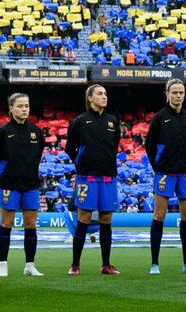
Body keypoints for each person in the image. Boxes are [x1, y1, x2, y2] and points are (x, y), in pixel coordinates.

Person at [145, 78, 186, 275]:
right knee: (159, 216)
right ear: (167, 95)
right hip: (165, 173)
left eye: (181, 92)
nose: (178, 95)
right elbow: (150, 146)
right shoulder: (160, 118)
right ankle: (155, 264)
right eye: (174, 92)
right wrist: (158, 167)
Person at [64, 84, 121, 276]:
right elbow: (69, 148)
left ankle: (106, 264)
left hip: (108, 176)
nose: (104, 96)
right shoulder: (80, 121)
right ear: (90, 98)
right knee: (84, 218)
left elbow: (114, 146)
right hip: (86, 177)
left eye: (105, 93)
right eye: (99, 94)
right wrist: (81, 164)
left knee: (106, 218)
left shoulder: (113, 121)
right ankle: (75, 264)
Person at [0, 92, 46, 277]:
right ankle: (3, 264)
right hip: (9, 185)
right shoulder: (3, 132)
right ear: (11, 108)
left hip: (30, 185)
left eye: (26, 106)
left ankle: (30, 265)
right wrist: (5, 174)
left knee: (31, 224)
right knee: (7, 223)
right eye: (20, 106)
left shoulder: (36, 132)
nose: (24, 109)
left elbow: (38, 155)